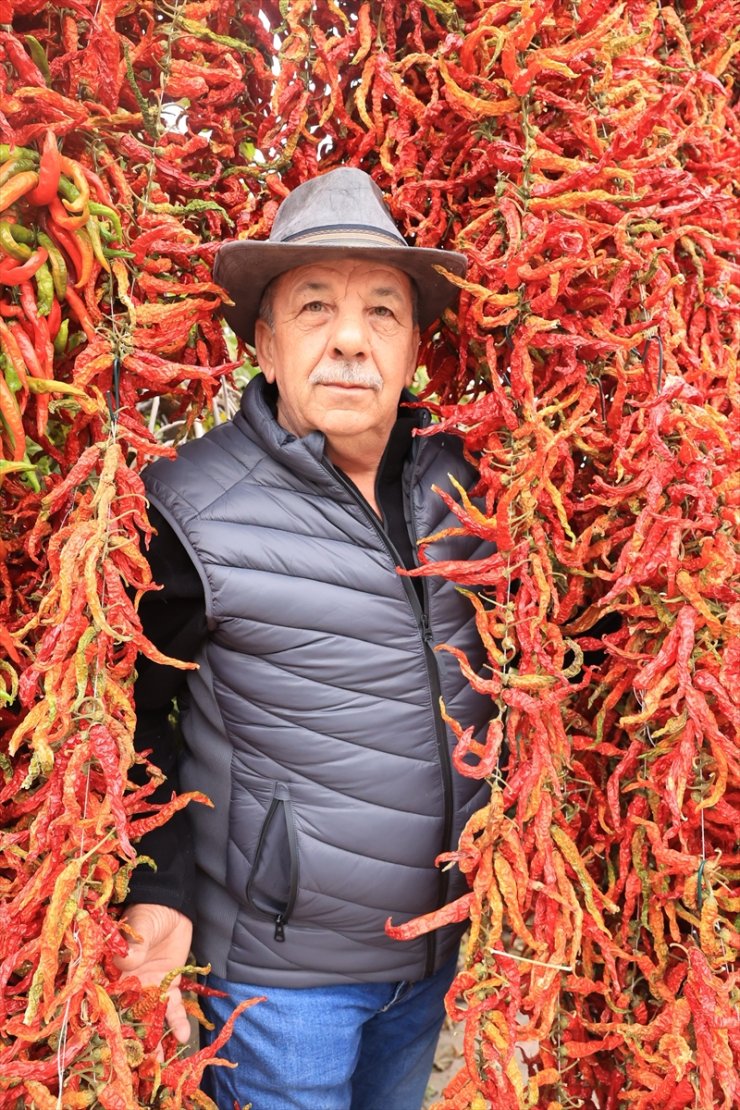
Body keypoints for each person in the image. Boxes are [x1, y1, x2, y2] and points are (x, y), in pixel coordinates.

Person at [117, 167, 492, 1110]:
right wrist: (158, 886)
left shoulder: (473, 490)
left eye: (383, 312)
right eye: (315, 306)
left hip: (433, 956)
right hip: (281, 983)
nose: (351, 341)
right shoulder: (187, 507)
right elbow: (135, 715)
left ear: (414, 350)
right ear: (266, 345)